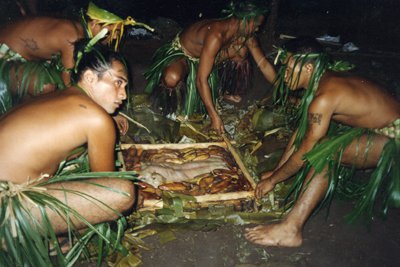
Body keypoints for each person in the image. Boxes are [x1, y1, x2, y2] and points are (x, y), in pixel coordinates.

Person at [244, 37, 400, 247]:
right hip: (382, 130)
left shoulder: (324, 98)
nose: (285, 75)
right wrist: (275, 174)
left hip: (395, 140)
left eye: (289, 69)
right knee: (321, 144)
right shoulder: (322, 81)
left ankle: (291, 229)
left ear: (308, 68)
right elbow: (302, 134)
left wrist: (272, 181)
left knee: (325, 150)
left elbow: (308, 148)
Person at [0, 41, 134, 261]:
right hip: (5, 208)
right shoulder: (97, 119)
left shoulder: (64, 95)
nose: (124, 95)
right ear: (90, 78)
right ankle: (66, 238)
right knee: (123, 193)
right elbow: (105, 187)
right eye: (118, 82)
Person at [144, 0, 276, 134]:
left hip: (206, 58)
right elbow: (201, 80)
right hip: (183, 55)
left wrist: (283, 87)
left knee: (241, 51)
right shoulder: (216, 35)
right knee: (172, 77)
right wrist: (214, 117)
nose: (258, 29)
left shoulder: (246, 36)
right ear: (247, 21)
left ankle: (226, 91)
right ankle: (166, 105)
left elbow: (263, 64)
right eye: (257, 25)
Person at [0, 1, 152, 115]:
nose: (113, 38)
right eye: (112, 32)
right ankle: (33, 119)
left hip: (23, 58)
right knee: (49, 85)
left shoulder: (80, 30)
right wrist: (100, 112)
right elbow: (71, 85)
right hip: (4, 58)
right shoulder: (73, 35)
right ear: (94, 24)